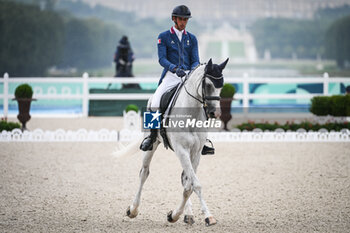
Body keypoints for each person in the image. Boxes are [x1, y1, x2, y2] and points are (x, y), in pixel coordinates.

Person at [140, 5, 214, 155]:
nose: (183, 22)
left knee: (202, 101)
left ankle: (203, 139)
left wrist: (192, 71)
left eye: (186, 19)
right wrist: (174, 68)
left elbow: (195, 60)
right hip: (170, 75)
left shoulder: (192, 38)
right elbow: (162, 59)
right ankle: (151, 135)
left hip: (188, 76)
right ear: (174, 19)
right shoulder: (164, 36)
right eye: (181, 19)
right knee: (155, 101)